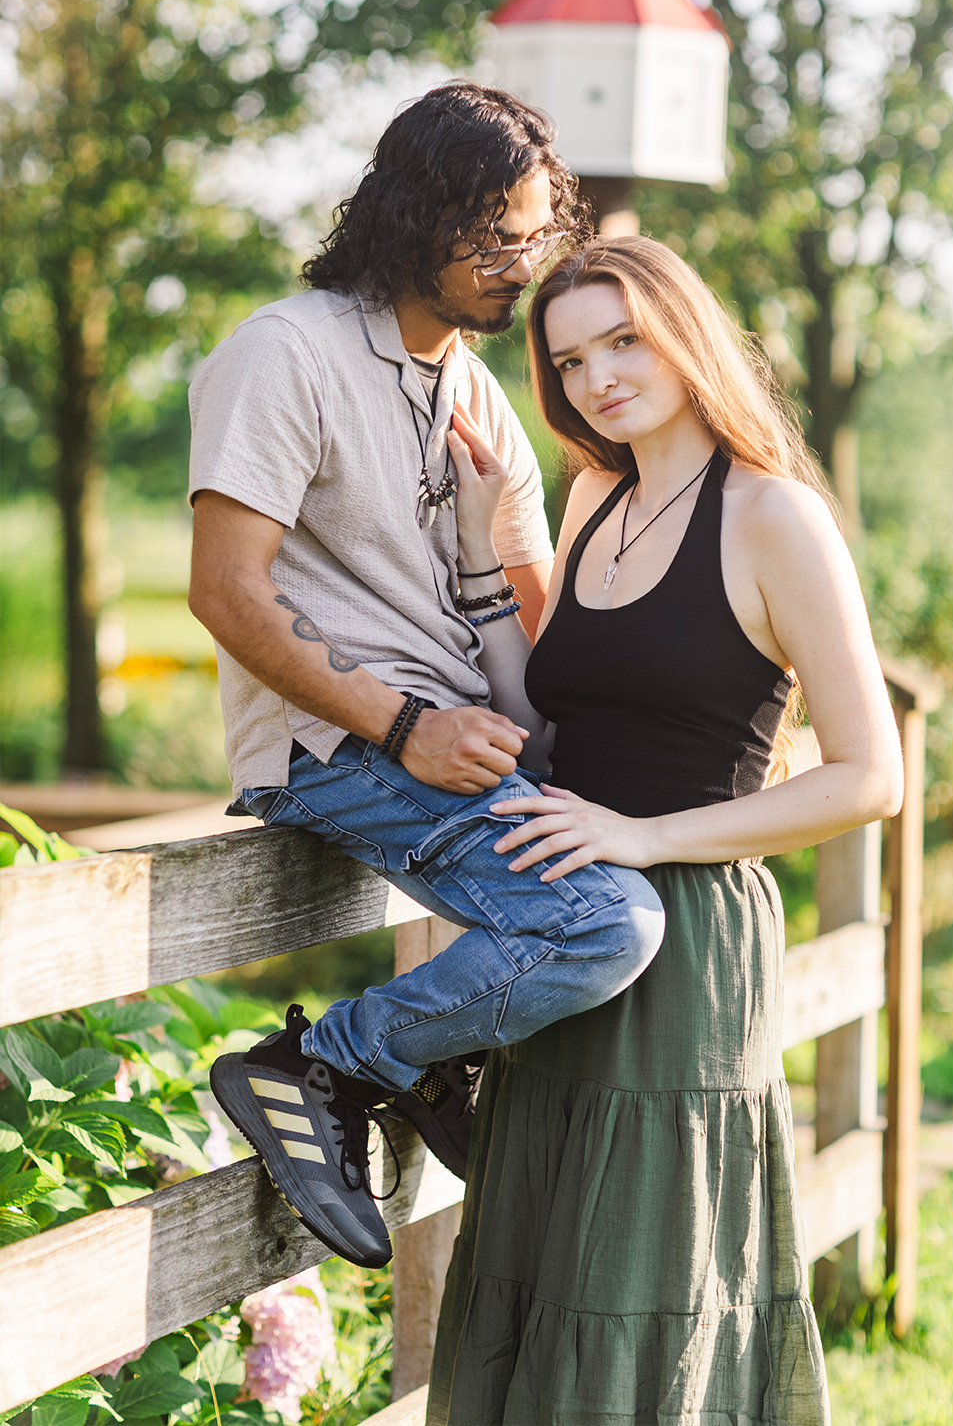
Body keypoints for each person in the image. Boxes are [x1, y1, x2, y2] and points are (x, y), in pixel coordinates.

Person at [187, 83, 670, 1272]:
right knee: (602, 922)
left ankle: (431, 1058)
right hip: (340, 747)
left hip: (465, 736)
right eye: (493, 233)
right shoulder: (282, 355)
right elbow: (225, 591)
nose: (522, 263)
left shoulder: (477, 391)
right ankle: (326, 1066)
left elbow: (522, 601)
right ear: (415, 214)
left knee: (657, 852)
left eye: (536, 232)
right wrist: (404, 727)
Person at [420, 234, 902, 1424]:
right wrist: (491, 567)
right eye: (571, 359)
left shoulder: (773, 517)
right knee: (541, 1264)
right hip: (567, 924)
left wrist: (646, 837)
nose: (599, 380)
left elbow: (868, 775)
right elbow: (545, 722)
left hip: (687, 942)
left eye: (623, 341)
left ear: (684, 335)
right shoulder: (594, 497)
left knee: (646, 1278)